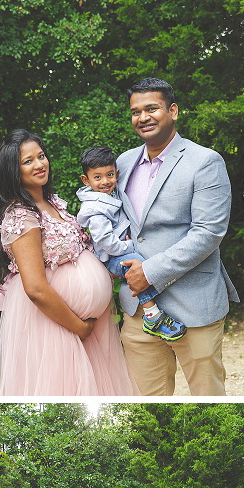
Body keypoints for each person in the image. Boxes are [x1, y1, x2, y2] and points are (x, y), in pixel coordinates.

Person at [0, 129, 137, 396]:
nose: (39, 164)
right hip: (56, 326)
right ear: (13, 171)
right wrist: (79, 327)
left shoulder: (52, 202)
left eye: (41, 156)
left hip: (85, 325)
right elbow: (35, 288)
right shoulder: (22, 215)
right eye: (27, 161)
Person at [117, 77, 239, 396]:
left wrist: (150, 273)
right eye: (135, 111)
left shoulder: (205, 161)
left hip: (194, 304)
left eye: (152, 108)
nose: (143, 117)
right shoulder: (123, 163)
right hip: (138, 311)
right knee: (146, 402)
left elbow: (208, 233)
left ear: (173, 111)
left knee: (208, 397)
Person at [76, 145, 186, 341]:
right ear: (86, 180)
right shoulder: (95, 208)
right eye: (98, 177)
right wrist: (127, 247)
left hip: (115, 252)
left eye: (110, 175)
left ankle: (155, 310)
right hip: (109, 257)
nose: (105, 181)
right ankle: (152, 316)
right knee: (135, 264)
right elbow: (104, 240)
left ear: (116, 173)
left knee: (138, 265)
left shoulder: (109, 196)